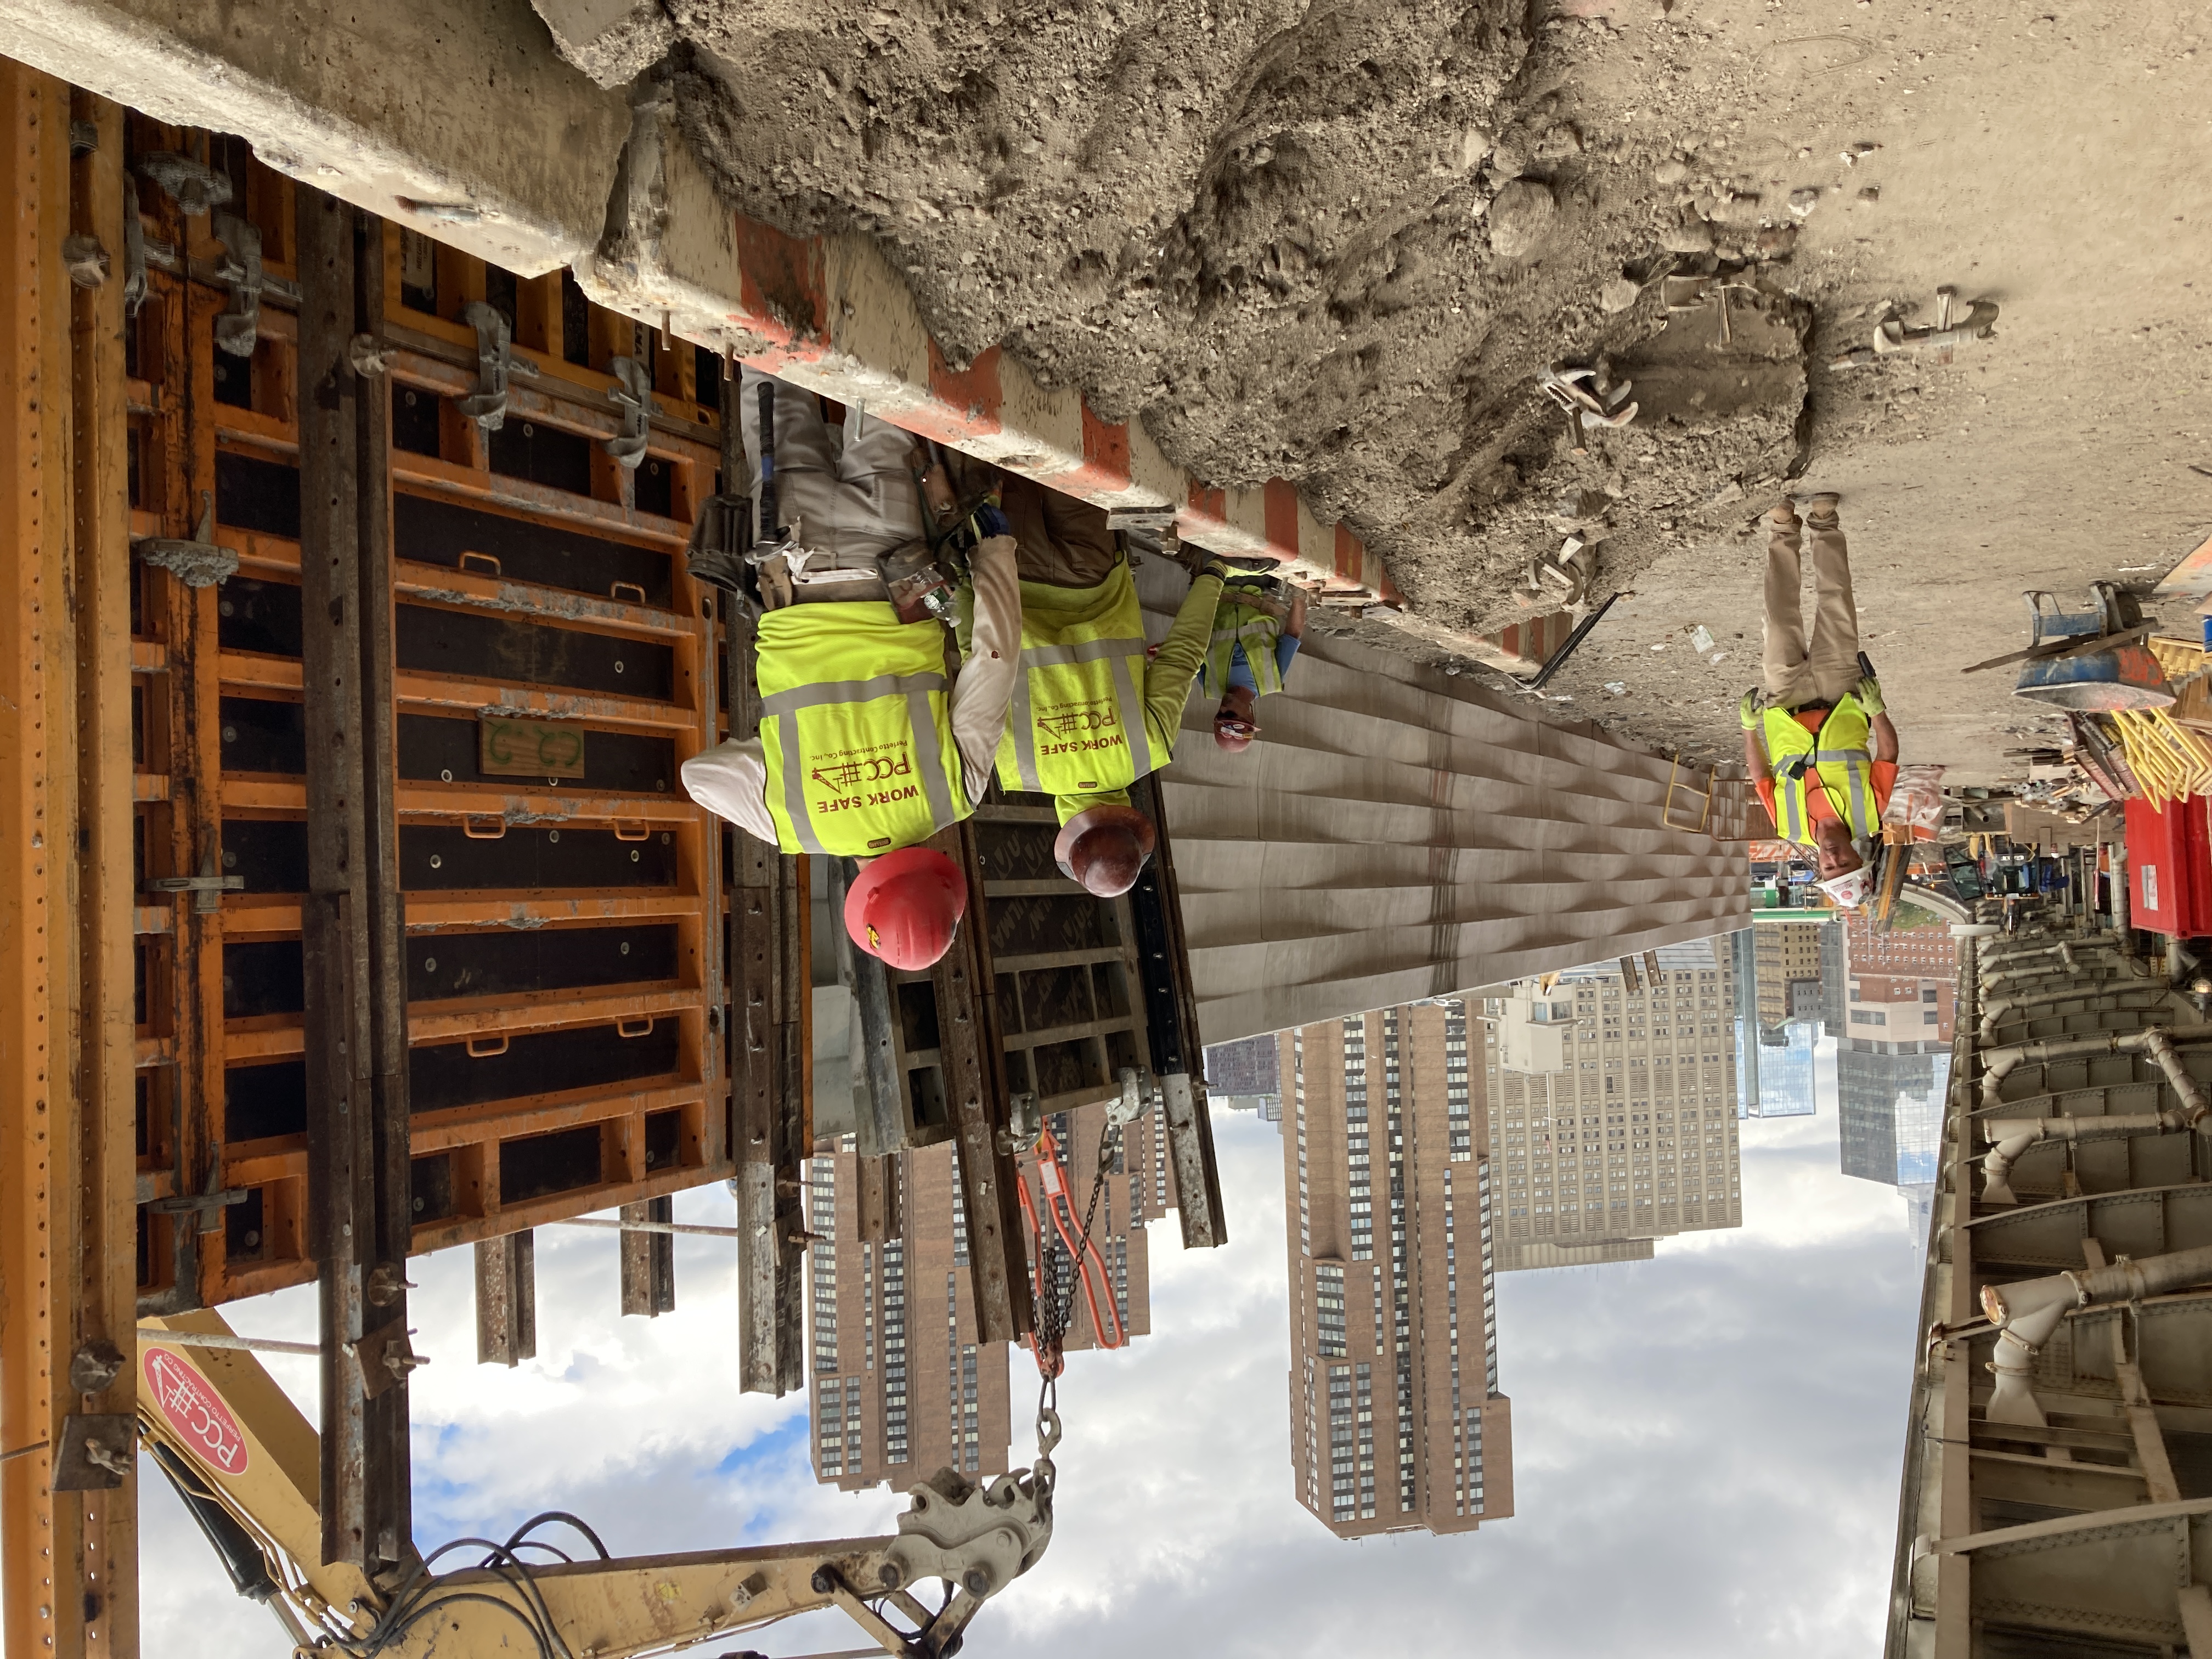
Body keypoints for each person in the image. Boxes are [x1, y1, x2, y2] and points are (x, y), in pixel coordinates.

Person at [681, 367, 1021, 970]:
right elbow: (699, 778)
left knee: (880, 370)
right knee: (774, 378)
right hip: (789, 555)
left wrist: (994, 552)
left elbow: (994, 659)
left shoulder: (957, 793)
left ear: (945, 878)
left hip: (891, 552)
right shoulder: (793, 823)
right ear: (860, 900)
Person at [944, 460, 1237, 897]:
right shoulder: (1011, 766)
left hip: (1093, 569)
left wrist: (1213, 574)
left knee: (1066, 451)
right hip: (1011, 570)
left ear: (1129, 817)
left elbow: (1183, 657)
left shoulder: (1149, 746)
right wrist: (971, 579)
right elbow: (978, 654)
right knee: (1005, 448)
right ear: (1070, 832)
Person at [1739, 492, 1898, 909]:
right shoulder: (1869, 815)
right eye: (1845, 862)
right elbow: (1889, 753)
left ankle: (1783, 529)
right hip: (1840, 692)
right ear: (1857, 856)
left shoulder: (1790, 828)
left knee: (1778, 616)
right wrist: (1877, 711)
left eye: (1829, 869)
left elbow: (1760, 778)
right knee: (1837, 605)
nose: (1833, 858)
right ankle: (1825, 524)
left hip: (1785, 701)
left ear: (1820, 870)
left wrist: (1748, 729)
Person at [1199, 571, 1308, 752]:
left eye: (1220, 714)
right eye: (1231, 714)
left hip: (1216, 583)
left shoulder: (1208, 685)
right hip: (1258, 585)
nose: (1224, 708)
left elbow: (1191, 643)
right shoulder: (1270, 680)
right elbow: (1293, 635)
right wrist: (1299, 596)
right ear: (1250, 718)